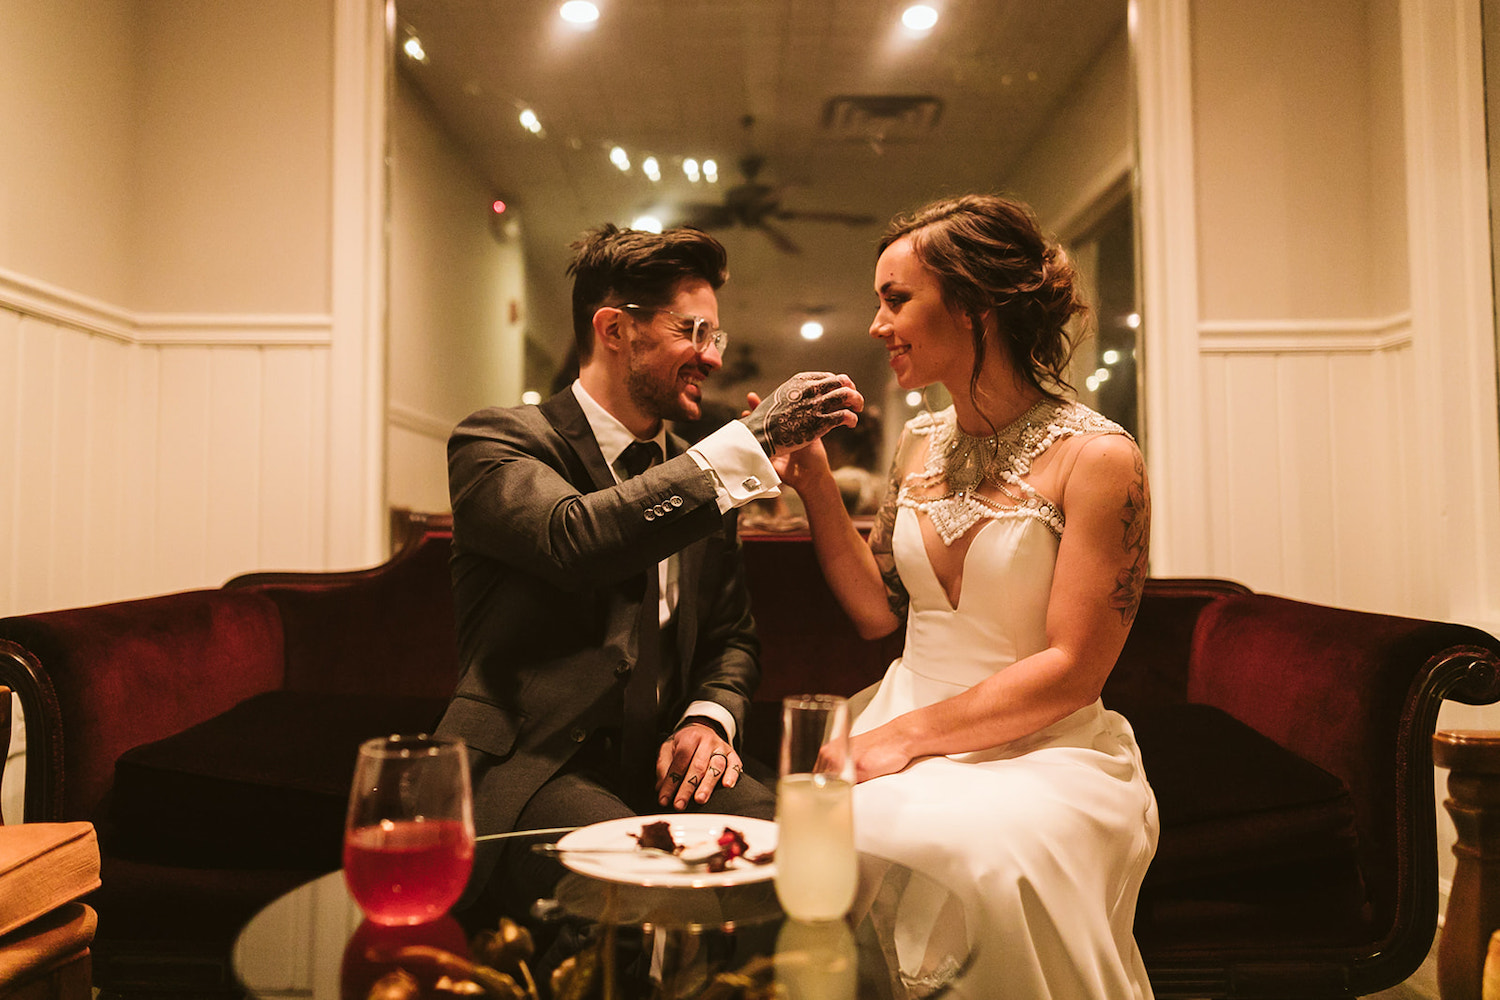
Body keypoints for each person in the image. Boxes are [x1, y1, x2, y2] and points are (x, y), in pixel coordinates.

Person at [774, 194, 1157, 999]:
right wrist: (813, 479)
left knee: (986, 853)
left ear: (975, 302)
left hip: (1041, 746)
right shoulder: (919, 445)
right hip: (900, 716)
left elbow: (1075, 670)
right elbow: (879, 610)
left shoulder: (1100, 459)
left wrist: (906, 740)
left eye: (895, 298)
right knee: (815, 845)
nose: (878, 325)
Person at [436, 223, 863, 916]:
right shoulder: (498, 442)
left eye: (715, 337)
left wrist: (710, 718)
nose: (712, 359)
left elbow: (733, 639)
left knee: (806, 858)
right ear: (615, 329)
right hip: (536, 765)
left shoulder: (702, 473)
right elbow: (572, 540)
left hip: (667, 767)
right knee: (634, 884)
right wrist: (749, 442)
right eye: (694, 331)